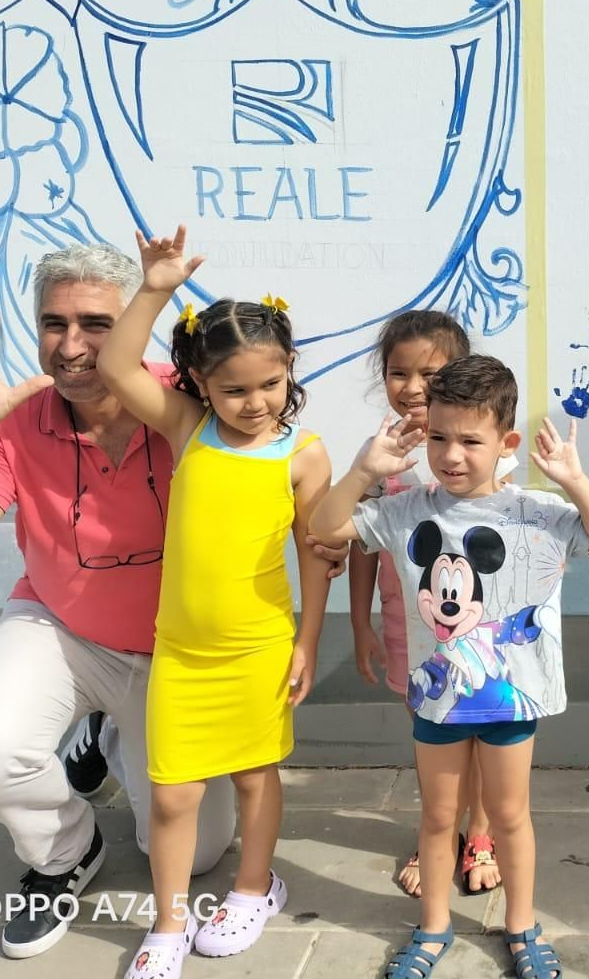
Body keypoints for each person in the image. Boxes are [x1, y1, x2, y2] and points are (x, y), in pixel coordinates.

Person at [0, 244, 237, 960]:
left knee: (198, 853)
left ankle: (106, 736)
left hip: (176, 655)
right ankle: (64, 853)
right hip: (63, 627)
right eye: (54, 323)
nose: (72, 346)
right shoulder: (14, 420)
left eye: (96, 323)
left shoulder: (194, 399)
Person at [311, 355, 589, 979]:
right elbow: (325, 524)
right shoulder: (407, 511)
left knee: (510, 816)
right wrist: (361, 472)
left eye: (470, 441)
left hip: (512, 701)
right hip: (438, 703)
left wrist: (575, 482)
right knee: (435, 817)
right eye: (437, 438)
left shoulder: (536, 511)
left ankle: (523, 925)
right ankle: (432, 927)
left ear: (506, 442)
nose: (450, 455)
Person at [97, 225, 333, 979]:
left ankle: (255, 887)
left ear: (289, 368)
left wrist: (306, 643)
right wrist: (157, 284)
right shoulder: (187, 429)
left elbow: (317, 554)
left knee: (256, 777)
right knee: (172, 796)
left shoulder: (304, 454)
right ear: (199, 385)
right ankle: (168, 924)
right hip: (183, 655)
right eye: (234, 389)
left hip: (259, 648)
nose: (255, 402)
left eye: (268, 384)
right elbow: (113, 363)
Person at [348, 310, 514, 899]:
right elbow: (360, 543)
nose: (413, 387)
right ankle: (436, 831)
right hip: (409, 625)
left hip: (478, 629)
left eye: (431, 372)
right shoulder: (381, 453)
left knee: (485, 735)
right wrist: (360, 620)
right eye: (398, 373)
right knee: (432, 734)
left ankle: (483, 834)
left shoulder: (483, 450)